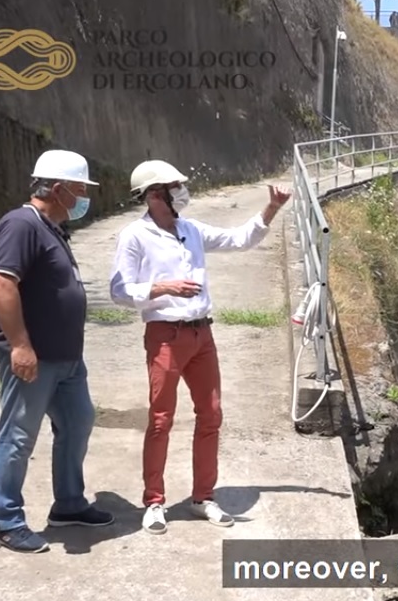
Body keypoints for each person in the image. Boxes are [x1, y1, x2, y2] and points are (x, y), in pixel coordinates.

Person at [108, 160, 292, 535]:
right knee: (161, 419)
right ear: (154, 194)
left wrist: (271, 209)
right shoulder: (135, 236)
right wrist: (163, 288)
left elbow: (239, 240)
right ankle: (154, 502)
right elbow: (118, 290)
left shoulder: (190, 229)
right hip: (165, 335)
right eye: (175, 187)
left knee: (211, 414)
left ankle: (203, 497)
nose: (183, 192)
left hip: (201, 334)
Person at [0, 150, 114, 553]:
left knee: (77, 423)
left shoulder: (52, 228)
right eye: (80, 189)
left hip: (67, 358)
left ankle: (69, 504)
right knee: (18, 436)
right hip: (34, 358)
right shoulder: (21, 225)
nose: (84, 197)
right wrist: (21, 346)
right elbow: (0, 282)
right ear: (58, 189)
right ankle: (6, 522)